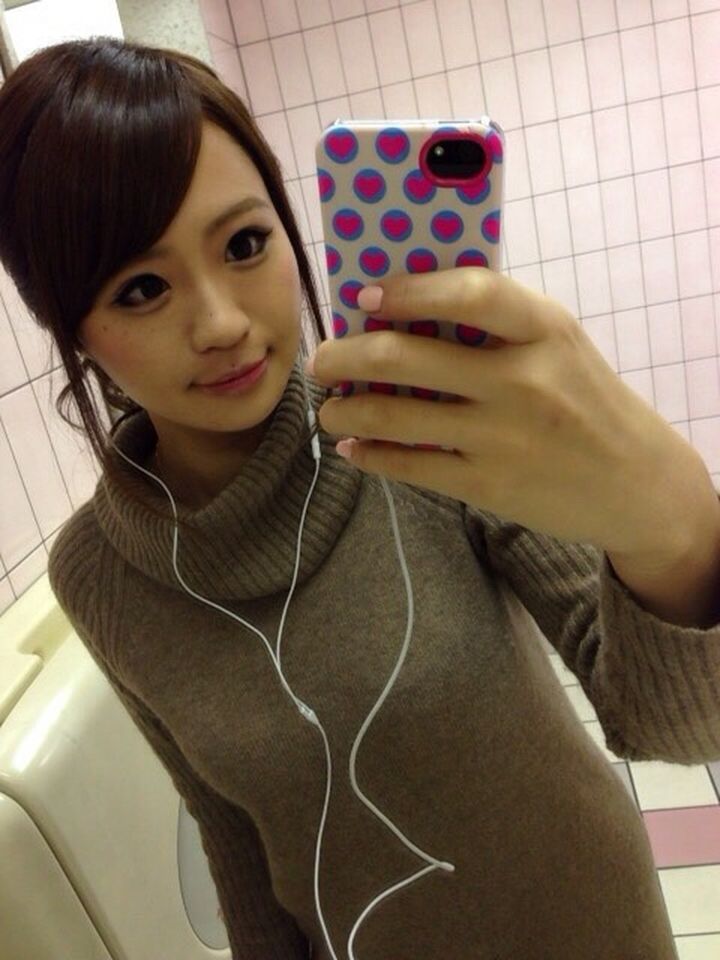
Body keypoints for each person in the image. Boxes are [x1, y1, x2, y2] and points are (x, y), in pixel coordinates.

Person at [1, 35, 718, 960]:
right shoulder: (98, 576)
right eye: (142, 289)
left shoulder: (423, 423)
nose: (222, 322)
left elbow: (666, 722)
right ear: (71, 328)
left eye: (246, 244)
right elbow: (235, 840)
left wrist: (671, 523)